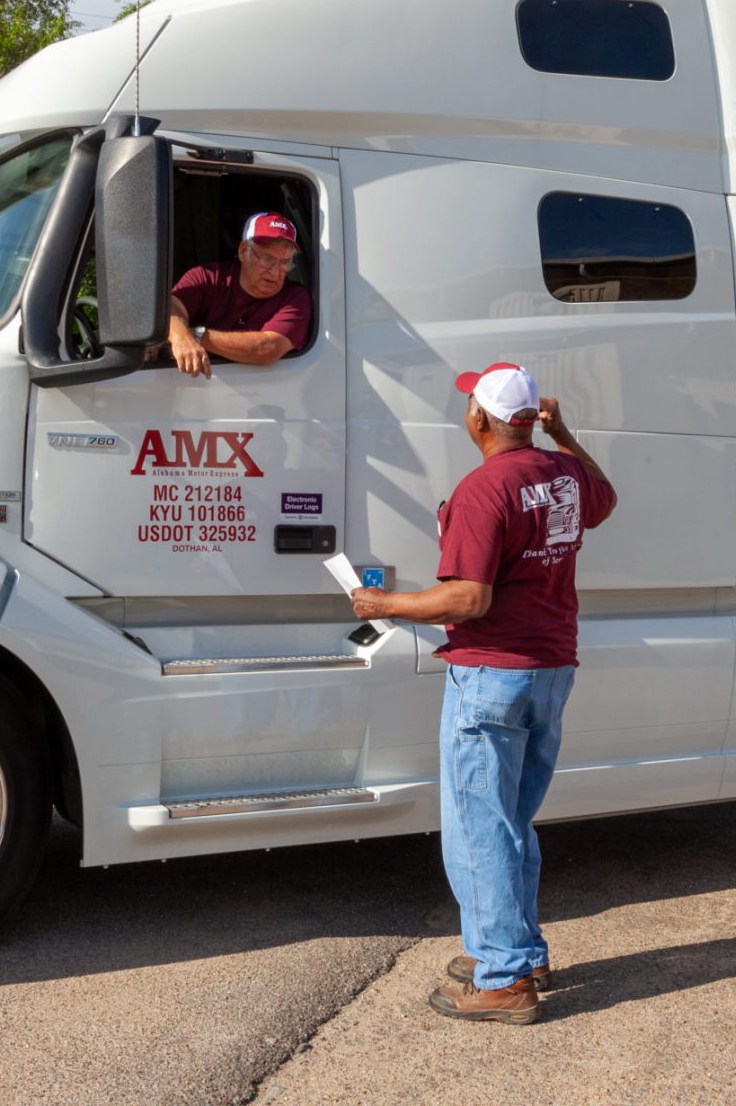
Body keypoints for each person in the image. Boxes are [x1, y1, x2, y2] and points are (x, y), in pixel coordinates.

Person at [348, 361, 618, 1025]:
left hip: (494, 674)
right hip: (550, 669)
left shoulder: (483, 489)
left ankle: (503, 978)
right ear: (531, 418)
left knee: (479, 831)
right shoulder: (564, 473)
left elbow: (470, 598)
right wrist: (566, 435)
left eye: (472, 401)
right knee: (509, 824)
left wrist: (386, 603)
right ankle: (516, 950)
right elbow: (604, 497)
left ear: (479, 420)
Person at [164, 212, 313, 377]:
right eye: (267, 259)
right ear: (243, 251)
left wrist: (195, 336)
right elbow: (171, 307)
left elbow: (268, 348)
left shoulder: (295, 298)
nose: (275, 272)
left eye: (285, 262)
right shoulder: (206, 277)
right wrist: (179, 336)